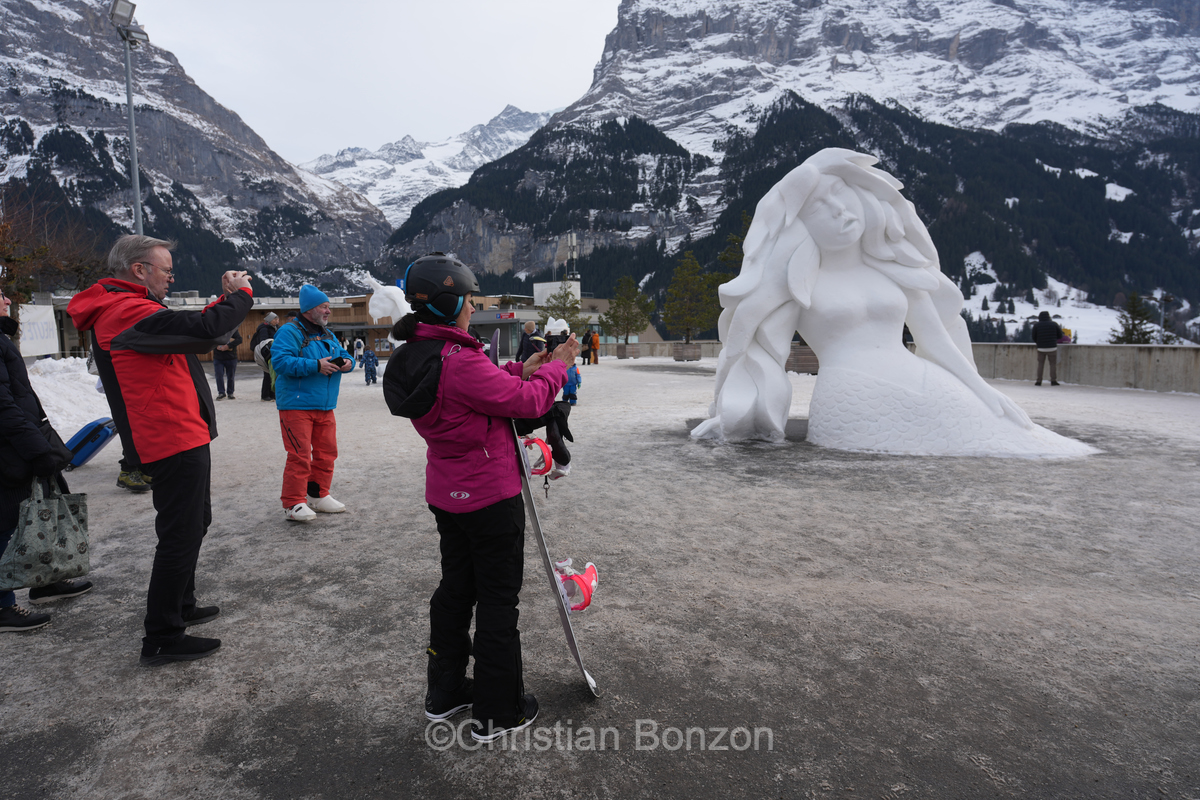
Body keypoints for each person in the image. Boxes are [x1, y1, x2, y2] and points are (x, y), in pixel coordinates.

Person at [693, 148, 1093, 457]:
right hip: (850, 395)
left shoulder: (893, 268)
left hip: (917, 377)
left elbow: (934, 340)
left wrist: (984, 391)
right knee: (979, 441)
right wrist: (729, 414)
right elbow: (751, 348)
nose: (839, 210)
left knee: (1002, 434)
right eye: (819, 207)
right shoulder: (800, 284)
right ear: (801, 224)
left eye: (840, 194)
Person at [383, 252, 579, 742]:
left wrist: (521, 366)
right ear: (449, 303)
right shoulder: (459, 360)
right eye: (468, 301)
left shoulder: (418, 353)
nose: (472, 309)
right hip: (490, 498)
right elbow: (531, 402)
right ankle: (499, 710)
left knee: (456, 590)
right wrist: (555, 368)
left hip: (448, 496)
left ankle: (445, 691)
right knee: (497, 601)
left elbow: (475, 393)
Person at [68, 234, 253, 664]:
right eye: (166, 270)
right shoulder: (126, 310)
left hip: (180, 434)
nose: (171, 278)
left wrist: (217, 310)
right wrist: (239, 295)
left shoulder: (130, 310)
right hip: (171, 438)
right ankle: (163, 635)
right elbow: (203, 330)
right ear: (139, 270)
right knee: (179, 535)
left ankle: (181, 605)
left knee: (194, 522)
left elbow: (193, 336)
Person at [0, 287, 93, 632]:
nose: (8, 300)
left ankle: (45, 580)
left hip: (20, 443)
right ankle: (2, 605)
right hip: (12, 448)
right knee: (8, 523)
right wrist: (36, 448)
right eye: (0, 295)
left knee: (42, 508)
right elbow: (3, 406)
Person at [272, 285, 355, 522]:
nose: (328, 311)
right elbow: (280, 362)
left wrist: (348, 363)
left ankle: (317, 495)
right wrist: (315, 365)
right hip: (296, 405)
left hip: (325, 405)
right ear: (310, 309)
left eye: (328, 307)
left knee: (326, 453)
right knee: (299, 455)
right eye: (324, 306)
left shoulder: (326, 333)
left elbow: (344, 354)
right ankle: (293, 503)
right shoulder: (289, 331)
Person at [251, 312, 279, 401]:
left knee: (274, 374)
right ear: (270, 320)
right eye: (275, 319)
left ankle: (273, 394)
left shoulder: (277, 328)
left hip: (275, 352)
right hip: (267, 353)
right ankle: (265, 395)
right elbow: (264, 341)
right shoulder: (264, 328)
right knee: (268, 374)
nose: (277, 320)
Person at [1031, 310, 1064, 386]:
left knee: (1040, 364)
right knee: (1052, 364)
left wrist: (1038, 343)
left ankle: (1039, 381)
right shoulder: (1054, 324)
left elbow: (1033, 337)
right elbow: (1060, 335)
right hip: (1052, 347)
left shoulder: (1037, 325)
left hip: (1041, 348)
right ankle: (1053, 380)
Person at [213, 325, 243, 400]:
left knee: (231, 376)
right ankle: (221, 392)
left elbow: (239, 339)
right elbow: (210, 340)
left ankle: (230, 392)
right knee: (219, 375)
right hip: (218, 357)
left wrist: (228, 346)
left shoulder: (232, 330)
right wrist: (215, 345)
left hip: (231, 357)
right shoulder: (215, 330)